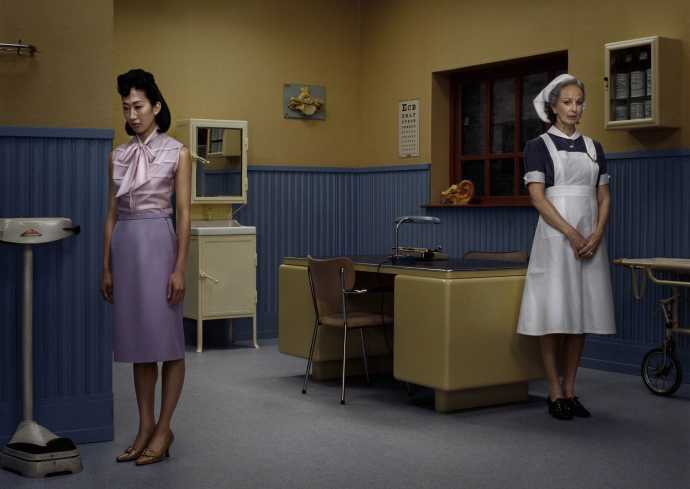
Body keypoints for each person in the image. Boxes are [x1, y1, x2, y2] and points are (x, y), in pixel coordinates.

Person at [101, 69, 192, 463]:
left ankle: (164, 429)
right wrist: (106, 266)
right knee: (140, 345)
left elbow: (184, 214)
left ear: (156, 106)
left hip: (160, 245)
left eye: (138, 106)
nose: (132, 114)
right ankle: (145, 427)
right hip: (126, 248)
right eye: (126, 107)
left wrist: (180, 267)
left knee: (168, 343)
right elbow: (110, 215)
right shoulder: (116, 156)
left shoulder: (178, 152)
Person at [517, 74, 616, 420]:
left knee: (580, 316)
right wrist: (572, 234)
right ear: (554, 106)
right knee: (555, 315)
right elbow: (537, 198)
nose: (574, 108)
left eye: (579, 102)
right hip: (556, 238)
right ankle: (554, 391)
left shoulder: (594, 147)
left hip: (590, 239)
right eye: (567, 102)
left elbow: (604, 197)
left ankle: (571, 391)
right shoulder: (537, 146)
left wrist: (597, 234)